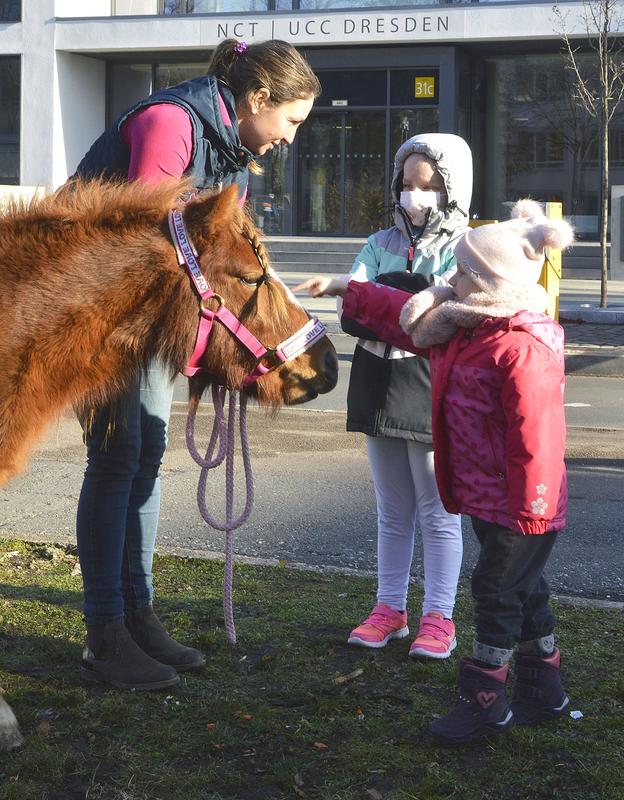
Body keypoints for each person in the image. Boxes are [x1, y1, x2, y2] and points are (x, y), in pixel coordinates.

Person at [69, 39, 320, 691]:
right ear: (258, 99)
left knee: (145, 451)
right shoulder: (172, 123)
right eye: (291, 121)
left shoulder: (219, 142)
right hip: (98, 313)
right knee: (118, 456)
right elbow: (148, 246)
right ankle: (106, 634)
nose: (289, 139)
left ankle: (137, 616)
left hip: (143, 318)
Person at [295, 199, 573, 744]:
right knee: (526, 589)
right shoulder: (465, 326)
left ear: (494, 283)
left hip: (523, 504)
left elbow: (537, 439)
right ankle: (544, 687)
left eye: (465, 272)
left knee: (496, 591)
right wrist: (342, 289)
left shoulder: (520, 346)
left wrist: (533, 510)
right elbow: (401, 318)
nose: (453, 278)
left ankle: (485, 699)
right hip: (494, 498)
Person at [340, 133, 472, 660]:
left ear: (450, 187)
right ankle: (389, 608)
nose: (414, 194)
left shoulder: (466, 246)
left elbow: (445, 322)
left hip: (432, 389)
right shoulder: (377, 242)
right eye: (407, 183)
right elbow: (353, 308)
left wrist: (388, 301)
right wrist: (408, 299)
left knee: (439, 510)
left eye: (427, 185)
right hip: (377, 383)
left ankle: (440, 616)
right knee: (391, 510)